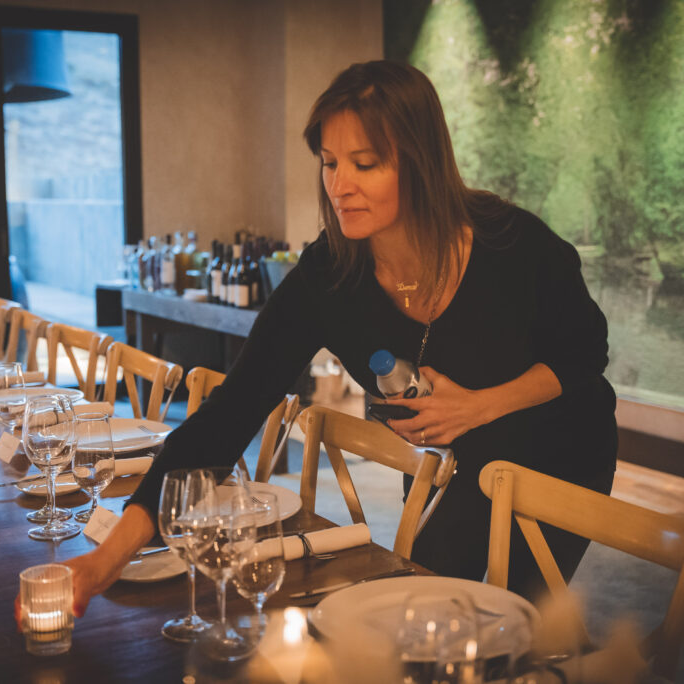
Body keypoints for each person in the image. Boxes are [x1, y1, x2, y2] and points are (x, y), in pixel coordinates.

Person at [56, 60, 617, 617]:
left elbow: (586, 352)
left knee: (487, 622)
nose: (339, 186)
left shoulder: (512, 245)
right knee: (418, 603)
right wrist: (109, 556)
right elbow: (231, 412)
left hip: (560, 452)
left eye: (365, 164)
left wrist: (477, 407)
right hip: (453, 463)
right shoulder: (330, 276)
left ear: (420, 164)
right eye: (329, 163)